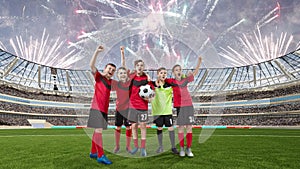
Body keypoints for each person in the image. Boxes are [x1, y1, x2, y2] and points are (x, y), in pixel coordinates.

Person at [165, 56, 202, 157]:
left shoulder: (185, 80)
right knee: (180, 127)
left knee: (189, 127)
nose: (179, 71)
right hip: (179, 107)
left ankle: (188, 149)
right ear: (173, 72)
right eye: (176, 70)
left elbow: (195, 73)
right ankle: (181, 148)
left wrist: (199, 62)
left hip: (189, 105)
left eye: (180, 70)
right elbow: (161, 79)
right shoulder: (171, 81)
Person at [87, 45, 116, 165]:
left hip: (104, 110)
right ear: (104, 69)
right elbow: (91, 66)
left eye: (113, 70)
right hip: (96, 108)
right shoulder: (99, 77)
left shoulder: (110, 82)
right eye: (109, 68)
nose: (111, 71)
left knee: (96, 131)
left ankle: (93, 151)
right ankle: (101, 155)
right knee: (98, 130)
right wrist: (96, 51)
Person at [151, 67, 179, 154]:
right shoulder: (152, 85)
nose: (163, 74)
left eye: (165, 73)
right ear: (158, 74)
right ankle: (161, 147)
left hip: (167, 112)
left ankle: (173, 147)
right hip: (157, 112)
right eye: (161, 73)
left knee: (171, 128)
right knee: (159, 128)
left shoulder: (169, 86)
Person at [128, 59, 153, 157]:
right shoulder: (131, 77)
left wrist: (150, 99)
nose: (139, 67)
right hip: (132, 105)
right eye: (138, 65)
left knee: (143, 126)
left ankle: (143, 148)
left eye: (142, 65)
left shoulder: (147, 79)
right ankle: (136, 146)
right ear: (135, 67)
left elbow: (152, 93)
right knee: (133, 126)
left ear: (144, 67)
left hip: (143, 106)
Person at [111, 46, 132, 154]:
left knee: (128, 128)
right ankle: (117, 146)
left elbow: (123, 65)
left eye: (124, 73)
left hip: (128, 110)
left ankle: (128, 146)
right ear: (118, 76)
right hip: (119, 109)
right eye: (120, 73)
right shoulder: (116, 84)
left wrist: (122, 53)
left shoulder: (128, 82)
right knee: (118, 127)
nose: (123, 74)